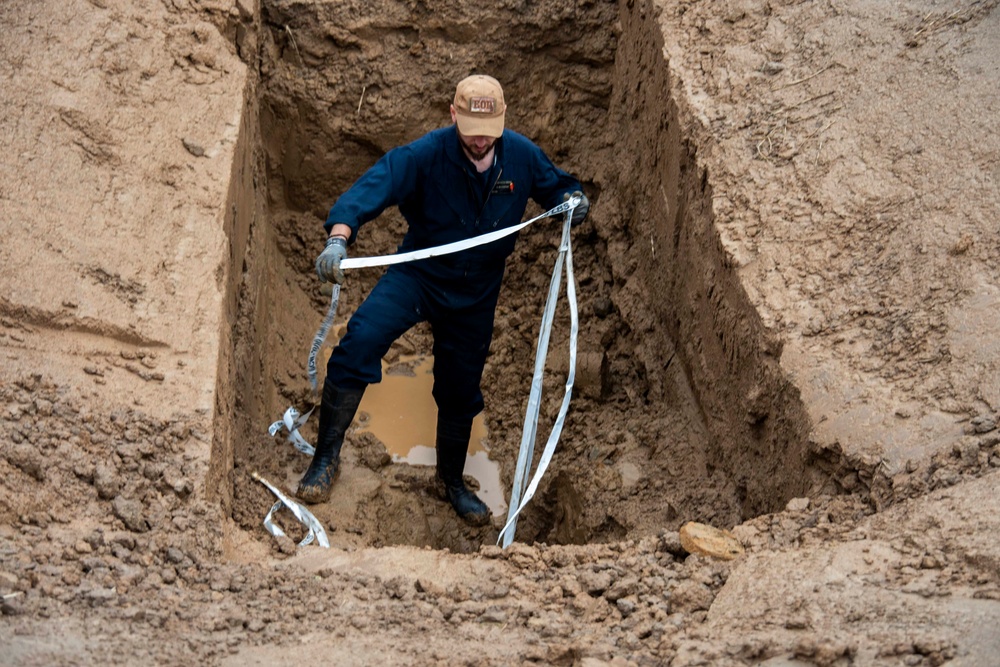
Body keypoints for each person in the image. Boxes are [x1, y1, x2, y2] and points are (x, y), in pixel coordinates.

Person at [297, 74, 589, 526]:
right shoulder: (425, 155)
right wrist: (339, 238)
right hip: (419, 275)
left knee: (460, 389)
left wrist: (573, 201)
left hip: (477, 294)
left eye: (488, 130)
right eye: (470, 128)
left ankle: (450, 481)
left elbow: (559, 187)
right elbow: (372, 187)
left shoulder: (522, 157)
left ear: (502, 120)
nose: (478, 139)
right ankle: (324, 460)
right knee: (359, 343)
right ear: (453, 115)